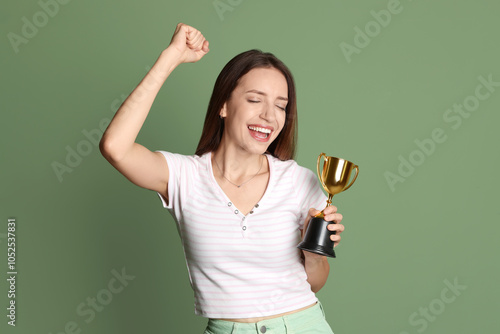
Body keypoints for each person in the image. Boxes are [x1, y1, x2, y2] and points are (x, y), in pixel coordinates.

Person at [100, 22, 345, 334]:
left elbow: (315, 281)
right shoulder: (184, 177)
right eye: (255, 100)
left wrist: (313, 256)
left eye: (281, 106)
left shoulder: (300, 181)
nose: (269, 116)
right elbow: (115, 147)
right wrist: (171, 58)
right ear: (223, 105)